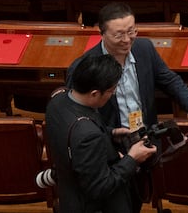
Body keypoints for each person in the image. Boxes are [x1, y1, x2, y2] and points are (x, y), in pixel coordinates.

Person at [67, 4, 188, 143]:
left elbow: (171, 82)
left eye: (131, 31)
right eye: (119, 35)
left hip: (148, 138)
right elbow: (78, 116)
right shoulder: (84, 67)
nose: (127, 40)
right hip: (111, 145)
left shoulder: (144, 48)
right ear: (102, 34)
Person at [43, 55, 157, 213]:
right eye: (111, 90)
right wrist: (132, 158)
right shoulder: (87, 135)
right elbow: (100, 187)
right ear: (95, 93)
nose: (113, 93)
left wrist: (111, 133)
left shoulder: (58, 101)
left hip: (68, 193)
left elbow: (75, 133)